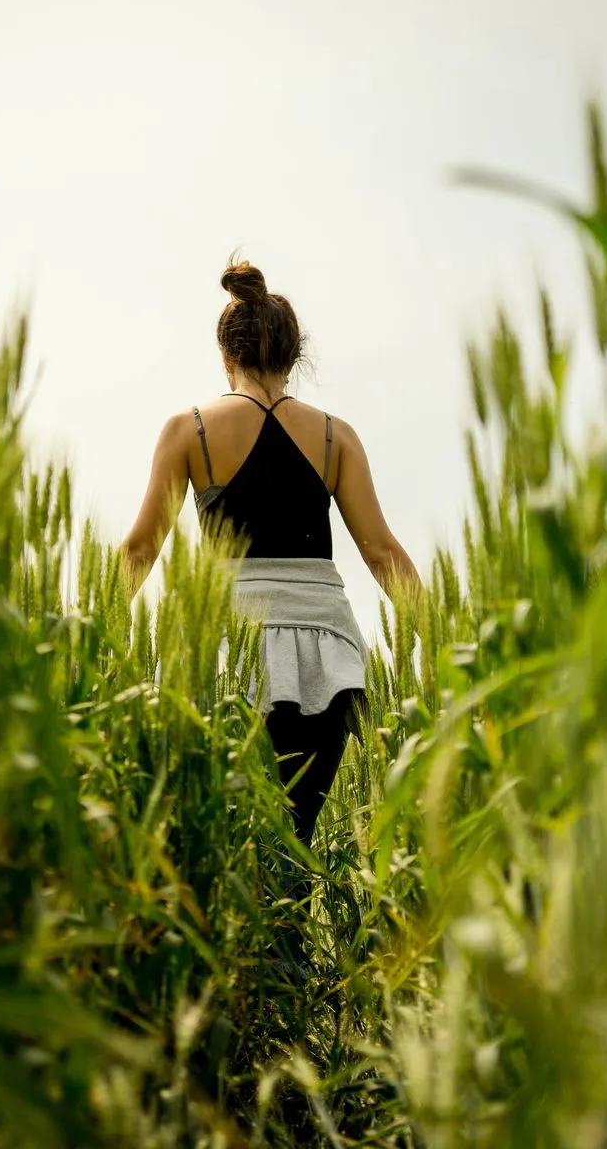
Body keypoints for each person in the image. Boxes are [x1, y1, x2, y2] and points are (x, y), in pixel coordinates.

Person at [119, 258, 421, 853]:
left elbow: (141, 547)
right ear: (293, 354)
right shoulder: (336, 437)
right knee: (294, 846)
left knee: (232, 848)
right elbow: (382, 552)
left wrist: (83, 628)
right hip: (328, 664)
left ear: (225, 356)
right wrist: (443, 638)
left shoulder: (189, 430)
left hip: (227, 656)